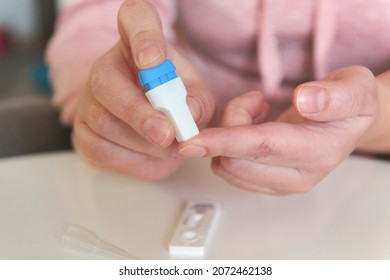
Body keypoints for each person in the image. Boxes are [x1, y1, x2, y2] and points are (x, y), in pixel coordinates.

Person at [46, 0, 390, 195]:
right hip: (180, 170)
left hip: (368, 177)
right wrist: (106, 97)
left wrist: (374, 113)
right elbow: (99, 17)